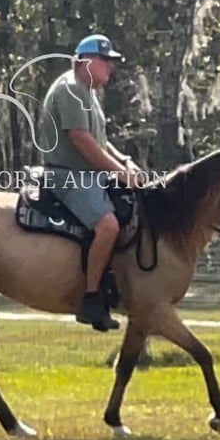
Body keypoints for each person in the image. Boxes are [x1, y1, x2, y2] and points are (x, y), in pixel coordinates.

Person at [40, 34, 146, 332]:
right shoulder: (71, 90)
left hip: (88, 174)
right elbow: (81, 141)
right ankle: (90, 297)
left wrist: (123, 160)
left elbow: (100, 140)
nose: (110, 69)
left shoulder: (87, 91)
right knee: (108, 226)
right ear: (86, 61)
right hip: (69, 175)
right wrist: (119, 172)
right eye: (106, 61)